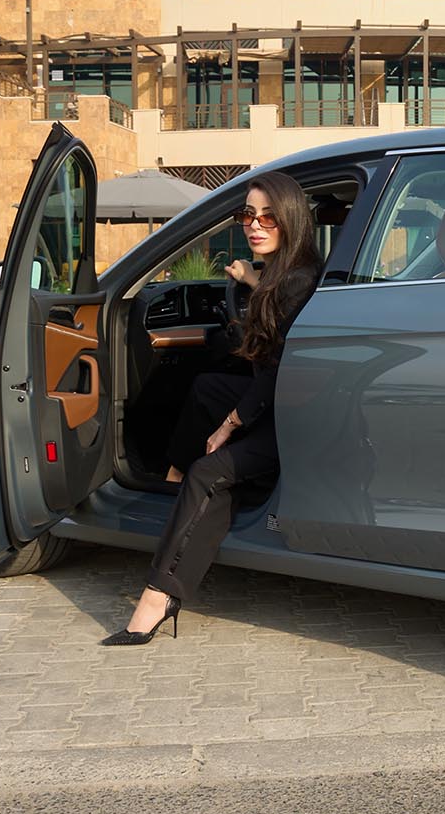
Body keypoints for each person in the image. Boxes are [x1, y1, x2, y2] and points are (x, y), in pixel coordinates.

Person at [102, 171, 320, 645]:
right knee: (206, 387)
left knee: (211, 471)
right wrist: (250, 279)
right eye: (248, 215)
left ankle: (158, 597)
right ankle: (174, 478)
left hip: (294, 417)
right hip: (278, 400)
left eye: (269, 217)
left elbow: (274, 373)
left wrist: (230, 424)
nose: (255, 225)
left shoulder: (297, 282)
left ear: (291, 219)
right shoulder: (285, 273)